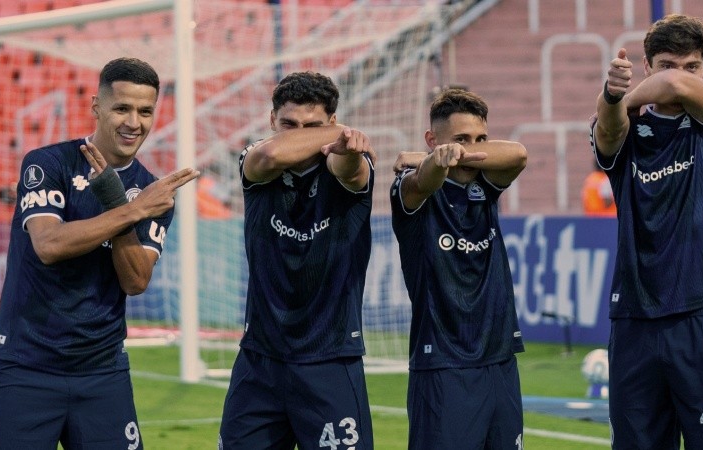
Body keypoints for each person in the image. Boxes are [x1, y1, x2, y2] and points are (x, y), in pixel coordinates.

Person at [0, 57, 199, 449]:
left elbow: (135, 281)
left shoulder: (151, 192)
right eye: (122, 108)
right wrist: (129, 209)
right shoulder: (48, 163)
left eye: (145, 111)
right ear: (96, 106)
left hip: (102, 373)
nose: (134, 122)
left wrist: (124, 200)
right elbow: (48, 246)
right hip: (27, 366)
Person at [591, 14, 703, 449]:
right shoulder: (626, 126)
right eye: (665, 64)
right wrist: (611, 98)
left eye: (692, 66)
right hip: (635, 320)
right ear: (646, 65)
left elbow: (676, 90)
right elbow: (606, 133)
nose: (681, 76)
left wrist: (622, 98)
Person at [219, 71, 375, 450]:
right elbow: (272, 153)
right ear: (272, 120)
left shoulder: (351, 159)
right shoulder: (256, 159)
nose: (296, 133)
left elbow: (350, 171)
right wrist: (333, 133)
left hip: (330, 360)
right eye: (288, 124)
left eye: (313, 126)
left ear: (332, 123)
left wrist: (346, 146)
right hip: (261, 360)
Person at [390, 87, 528, 449]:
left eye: (481, 138)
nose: (471, 146)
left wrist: (457, 153)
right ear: (432, 138)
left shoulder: (486, 183)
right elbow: (424, 179)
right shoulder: (408, 189)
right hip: (443, 365)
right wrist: (432, 160)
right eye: (460, 139)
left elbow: (518, 154)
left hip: (500, 361)